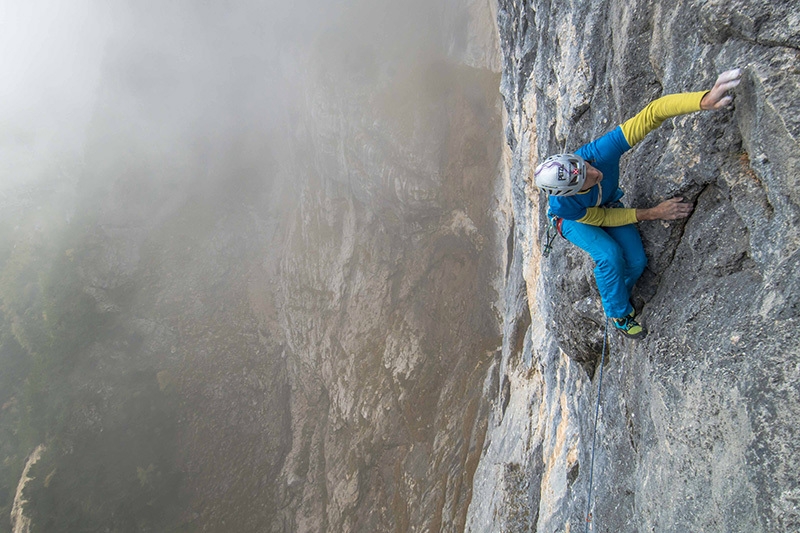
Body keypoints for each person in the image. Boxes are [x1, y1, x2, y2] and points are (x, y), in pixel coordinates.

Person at [534, 68, 742, 339]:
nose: (595, 173)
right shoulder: (565, 206)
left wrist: (703, 100)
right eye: (585, 179)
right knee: (608, 255)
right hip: (577, 220)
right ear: (571, 192)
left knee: (636, 261)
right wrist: (655, 213)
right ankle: (619, 314)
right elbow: (601, 220)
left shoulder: (599, 154)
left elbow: (653, 113)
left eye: (585, 166)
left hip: (605, 206)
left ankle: (616, 292)